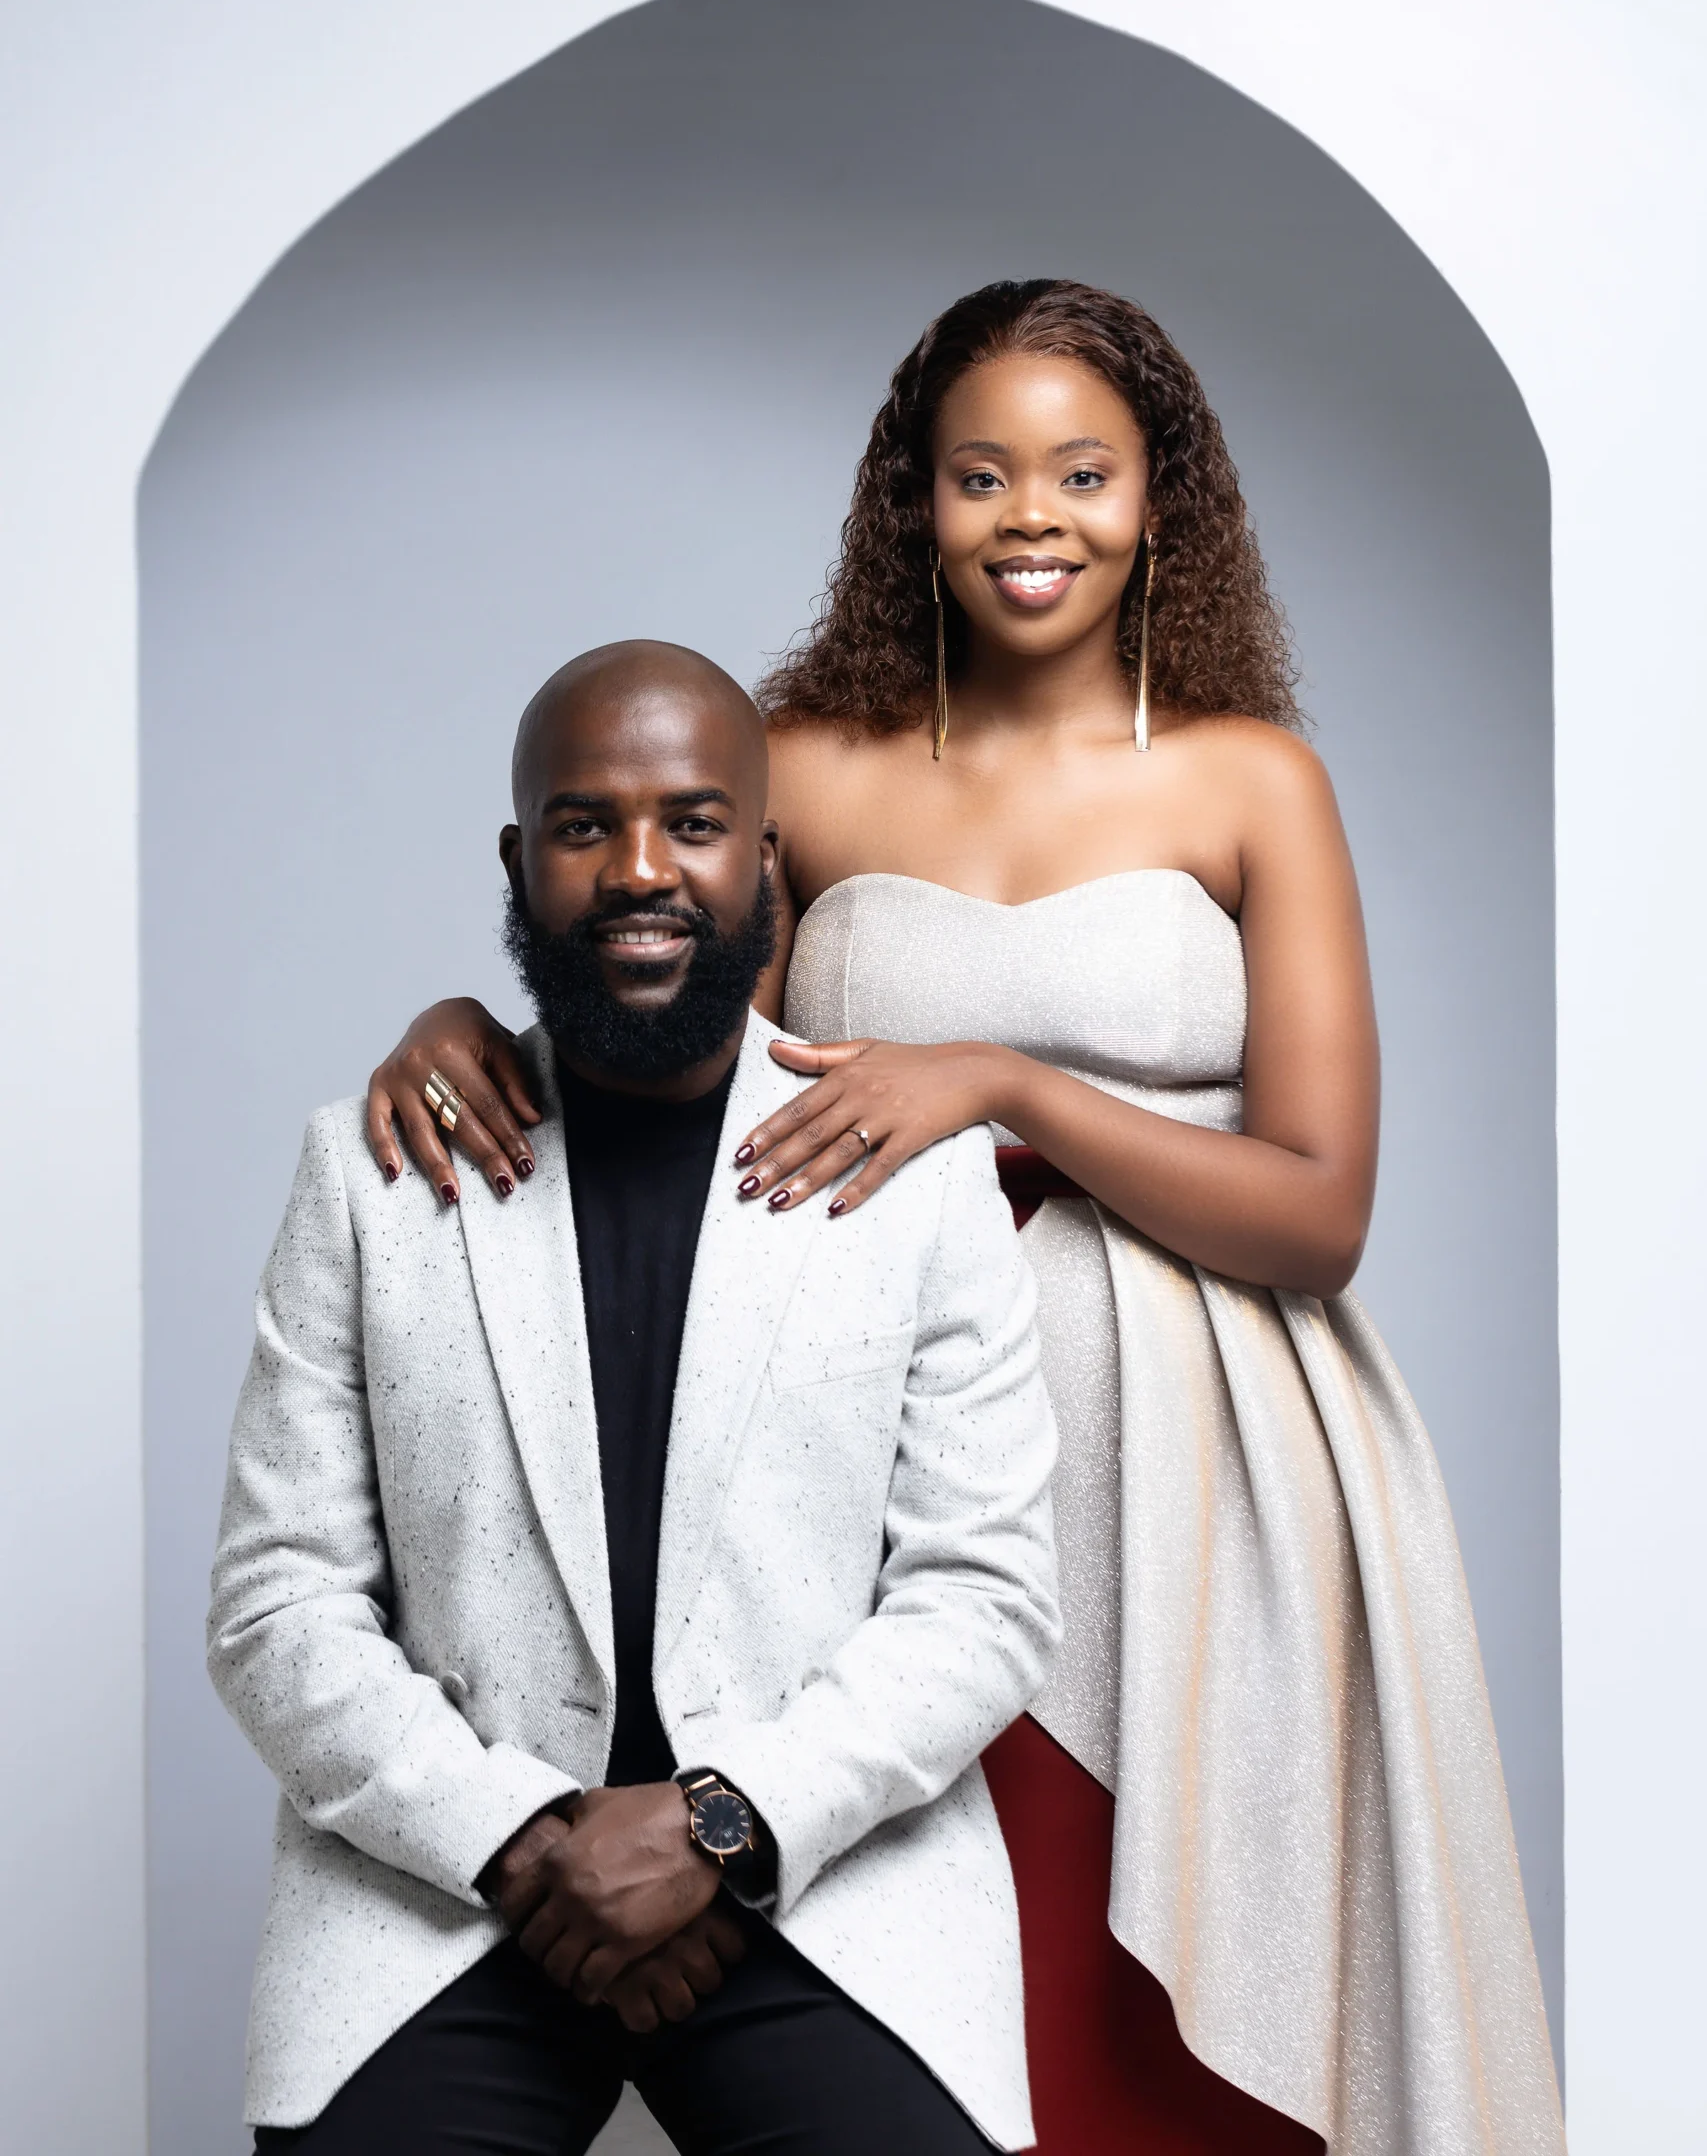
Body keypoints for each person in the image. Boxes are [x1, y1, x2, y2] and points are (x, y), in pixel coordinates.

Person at [366, 281, 1565, 2156]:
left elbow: (1320, 1211)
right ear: (911, 502)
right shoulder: (806, 760)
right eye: (979, 473)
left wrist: (1005, 1085)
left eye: (1084, 473)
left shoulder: (1253, 779)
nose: (1032, 518)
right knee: (916, 1968)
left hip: (1208, 1471)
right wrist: (468, 1024)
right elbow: (657, 1034)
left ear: (1158, 500)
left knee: (1176, 2020)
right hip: (866, 1454)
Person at [209, 641, 1060, 2154]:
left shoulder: (916, 1176)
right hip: (448, 1894)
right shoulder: (371, 1168)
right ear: (518, 861)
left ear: (765, 859)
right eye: (585, 825)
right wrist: (522, 1844)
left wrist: (724, 1830)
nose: (641, 870)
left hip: (822, 1884)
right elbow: (277, 1601)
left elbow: (983, 1597)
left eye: (694, 822)